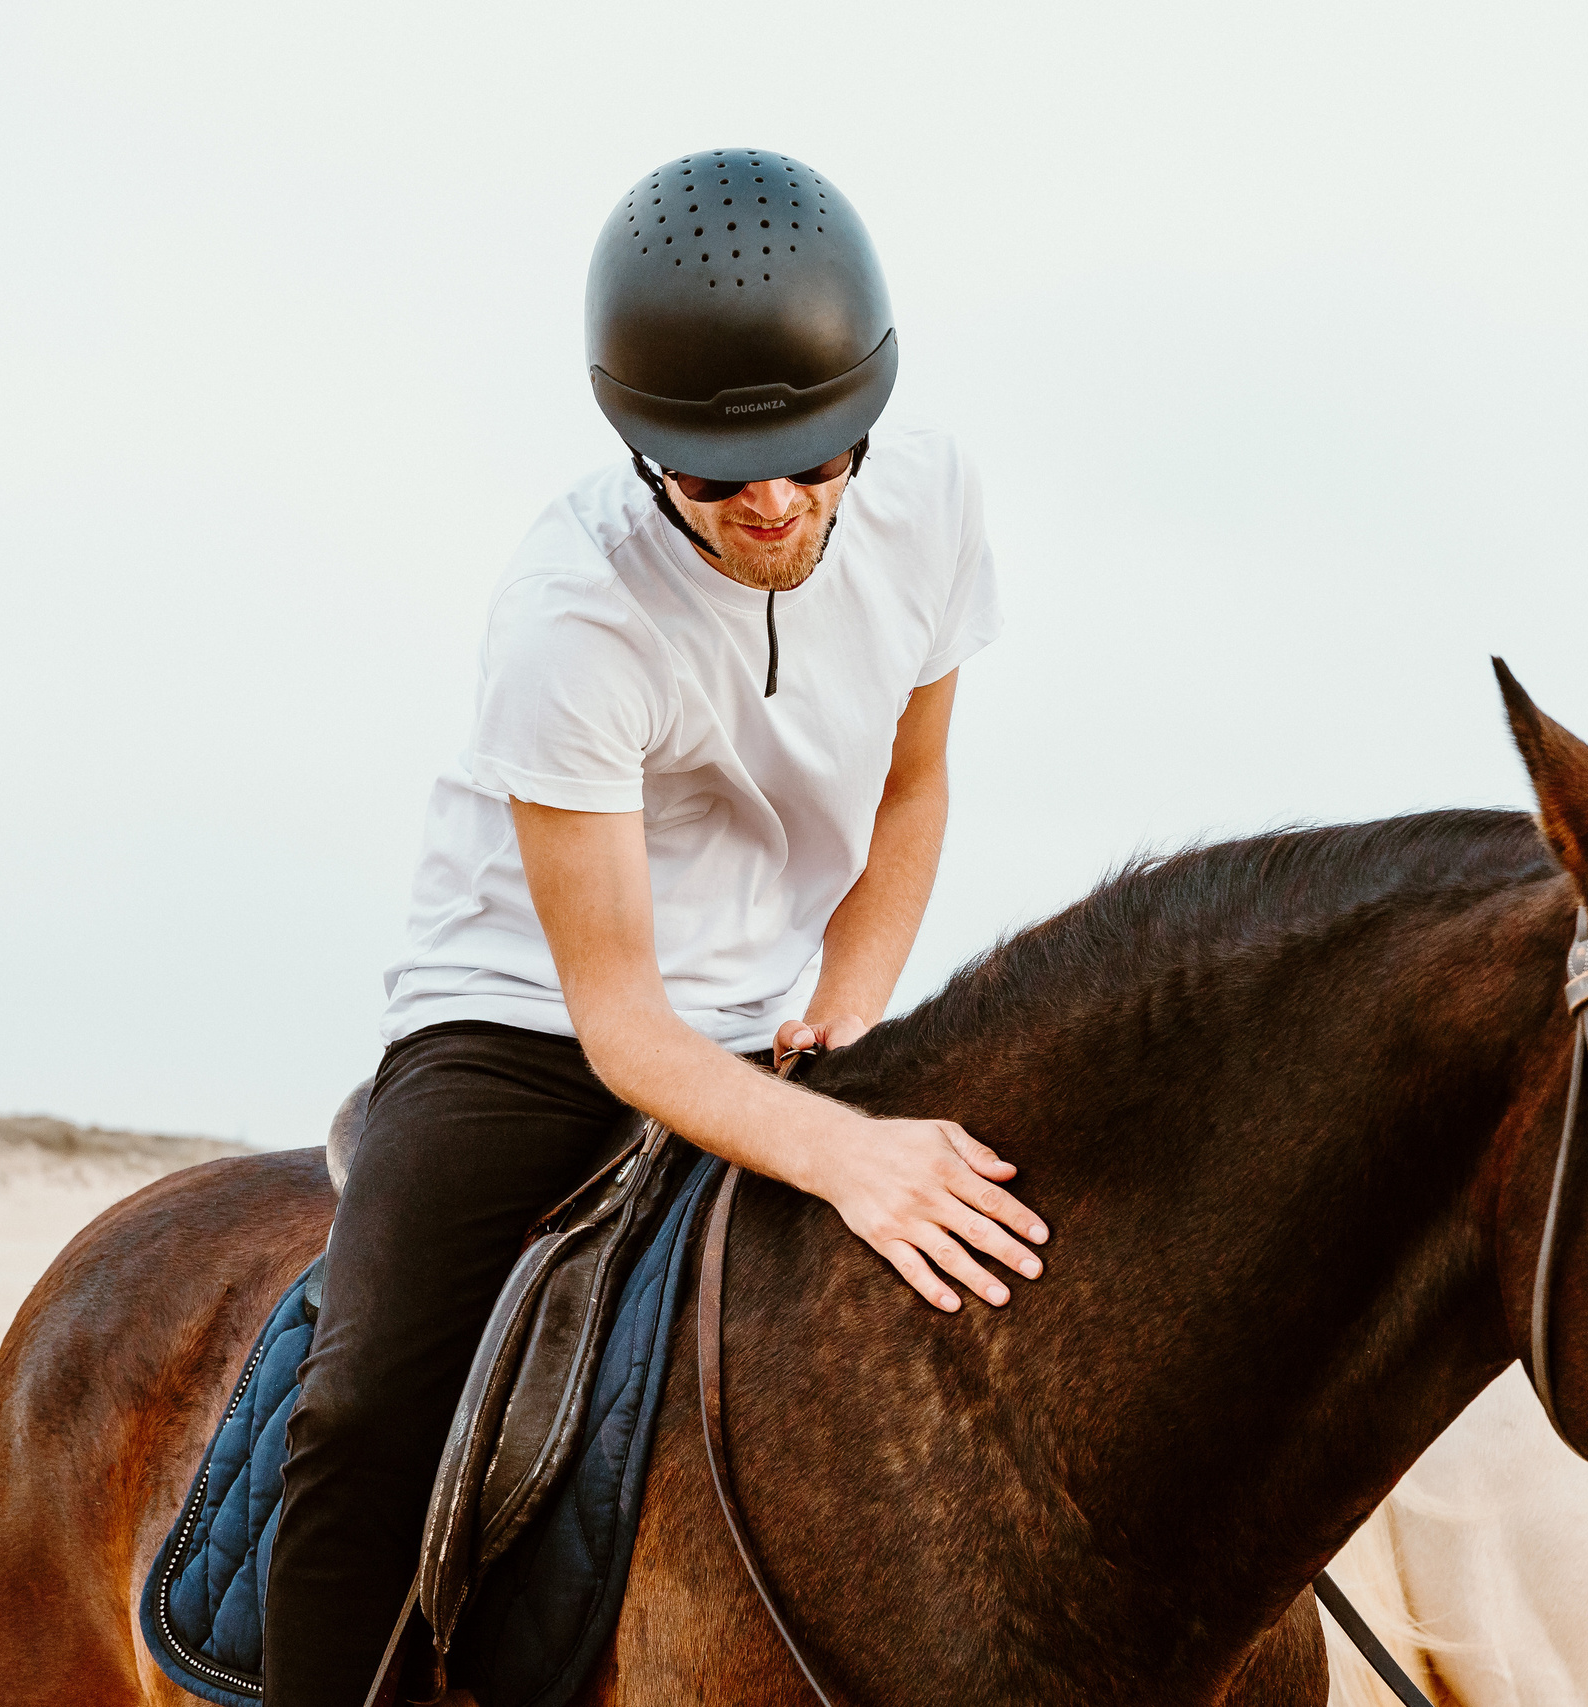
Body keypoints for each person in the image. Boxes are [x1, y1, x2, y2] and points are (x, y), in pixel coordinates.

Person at [264, 147, 1049, 1707]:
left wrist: (852, 1010)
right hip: (523, 1017)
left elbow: (912, 792)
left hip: (772, 1009)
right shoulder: (572, 618)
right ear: (642, 452)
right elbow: (619, 1022)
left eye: (817, 456)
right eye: (713, 476)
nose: (775, 503)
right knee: (360, 1418)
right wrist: (844, 1154)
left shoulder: (934, 500)